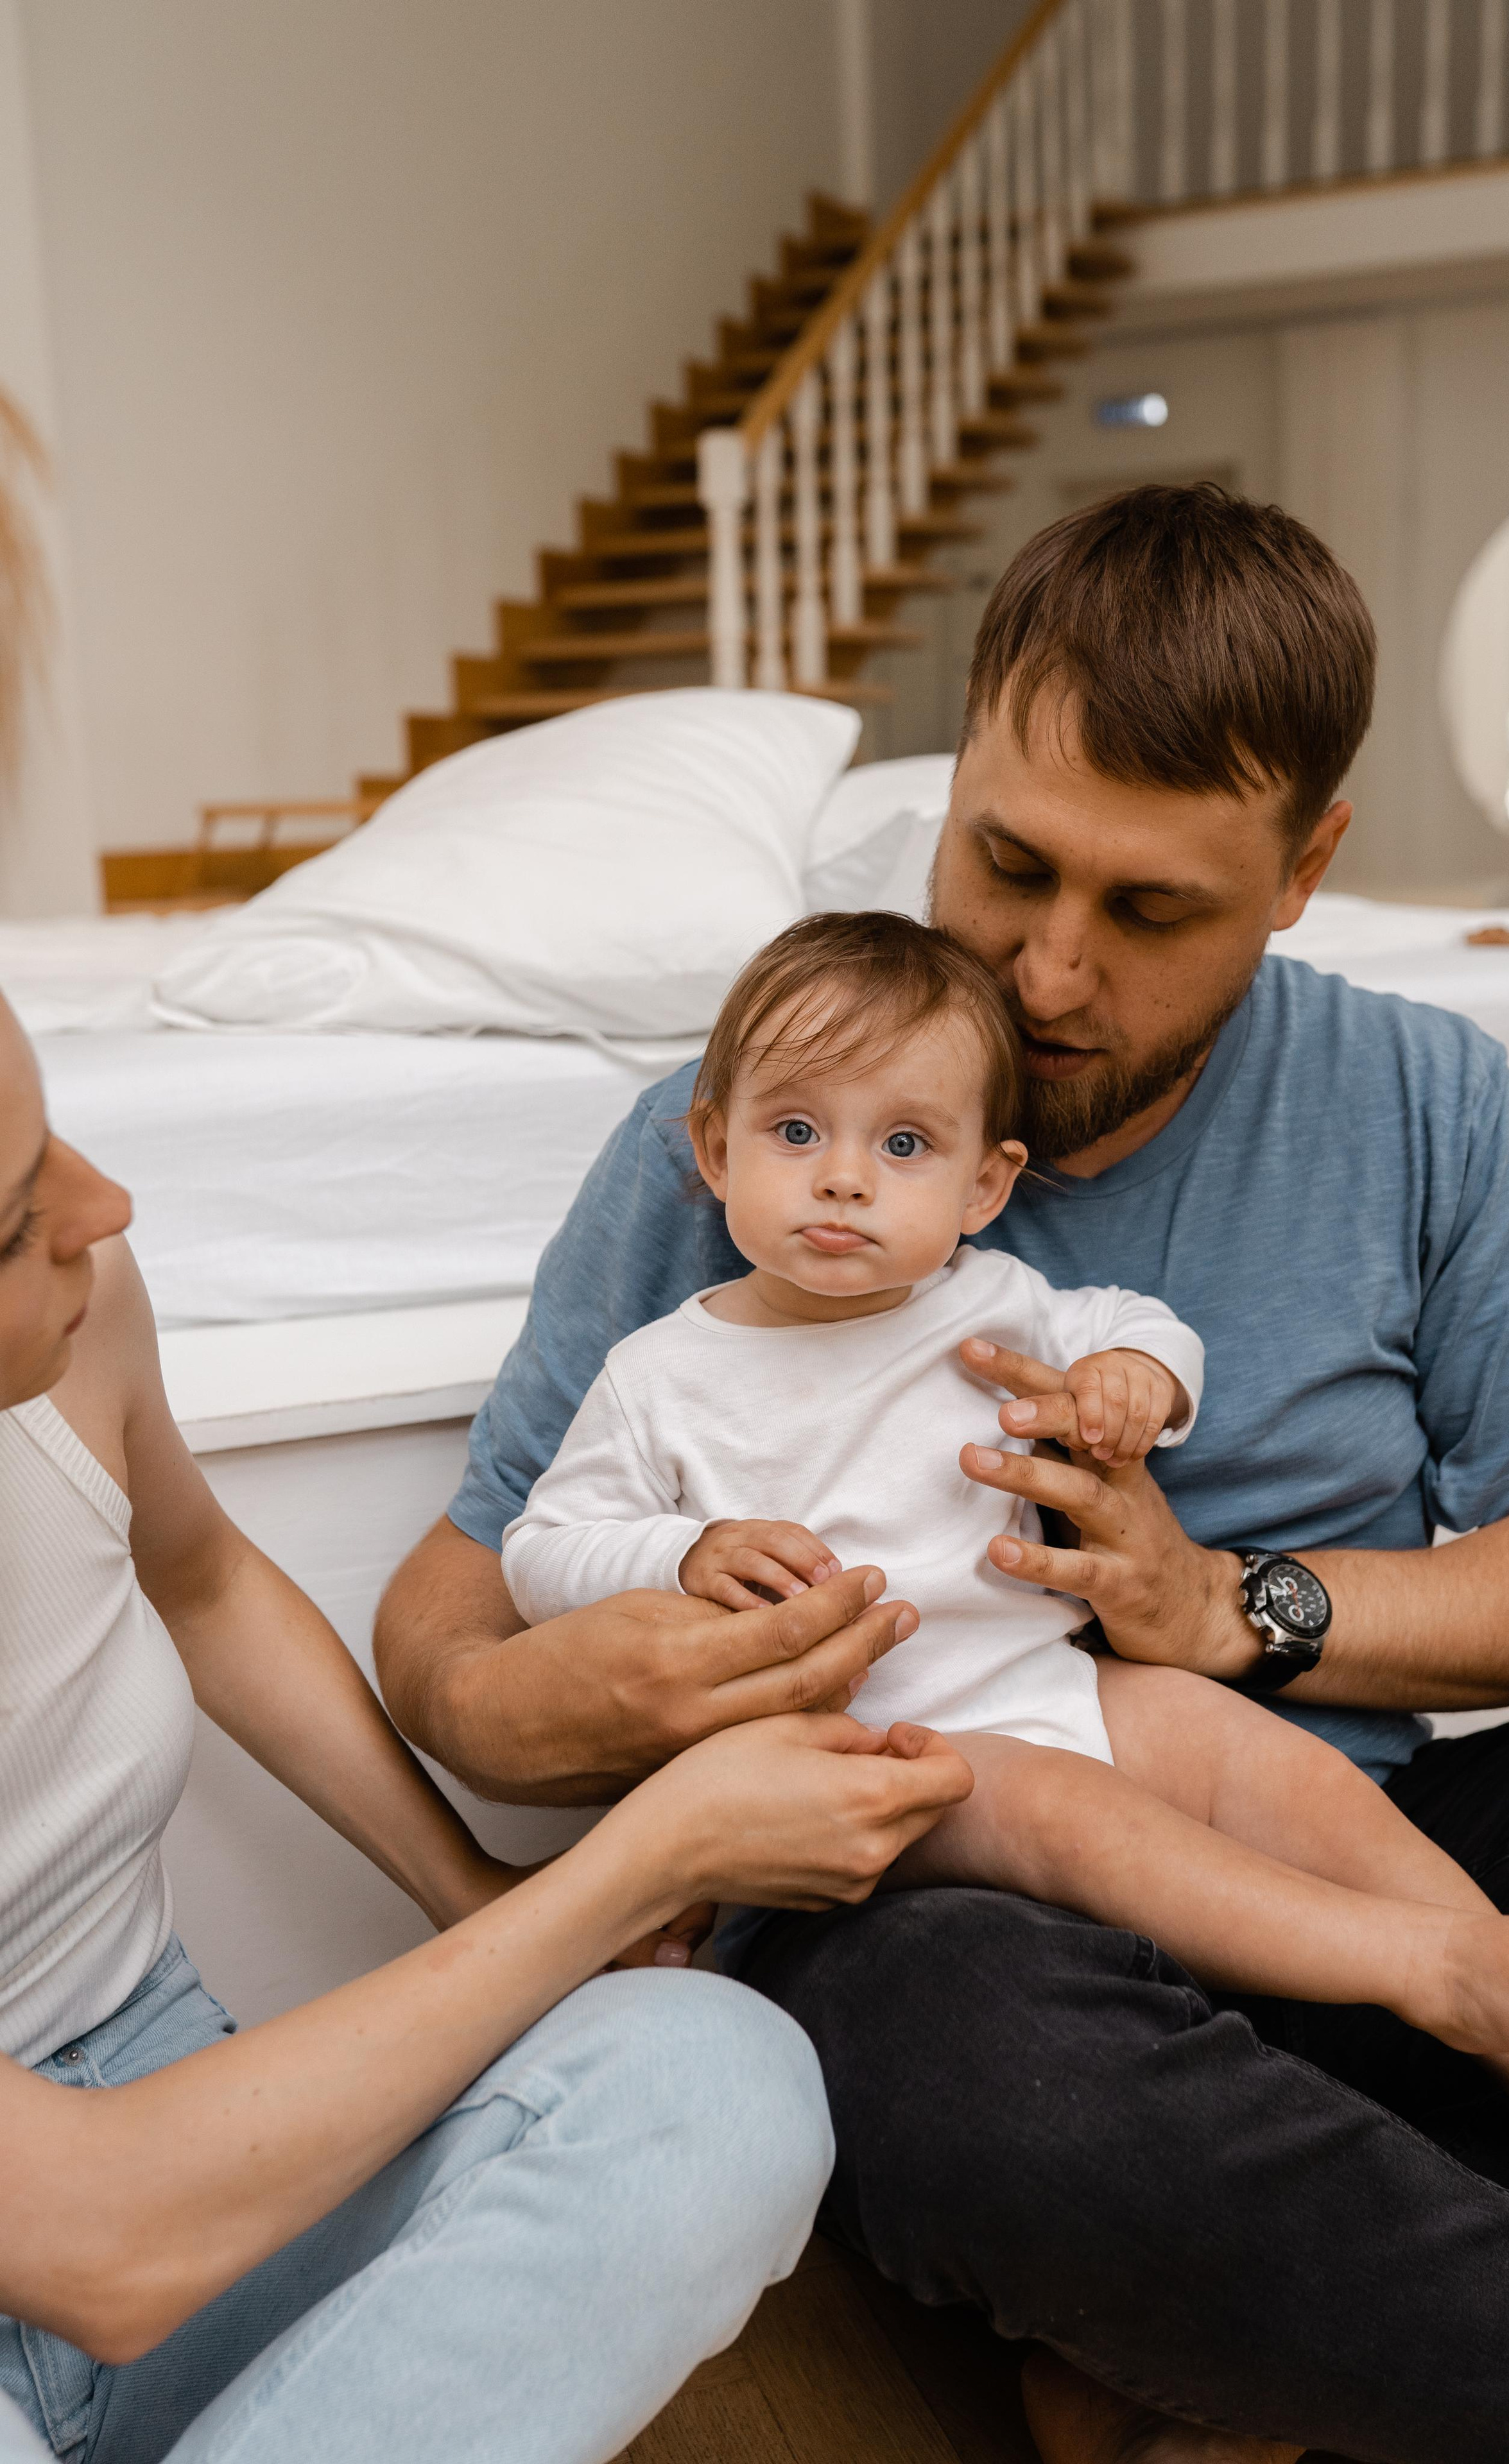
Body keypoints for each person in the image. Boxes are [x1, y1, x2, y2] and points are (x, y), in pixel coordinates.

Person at [375, 484, 1509, 2464]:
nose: (1048, 974)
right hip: (955, 1892)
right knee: (974, 2069)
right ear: (960, 763)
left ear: (1305, 868)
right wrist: (559, 1699)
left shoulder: (1424, 1098)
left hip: (1358, 1836)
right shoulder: (750, 1139)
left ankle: (1241, 2324)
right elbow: (458, 1602)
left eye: (1150, 913)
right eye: (1006, 861)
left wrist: (1233, 1611)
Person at [0, 988, 973, 2464]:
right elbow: (97, 2242)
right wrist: (643, 1857)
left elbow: (198, 1583)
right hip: (97, 2212)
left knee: (711, 2083)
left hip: (154, 2068)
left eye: (50, 1135)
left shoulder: (77, 1316)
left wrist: (465, 1885)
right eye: (14, 1215)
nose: (103, 1201)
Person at [508, 902, 1509, 2165]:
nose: (840, 1177)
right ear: (712, 1151)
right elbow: (543, 1546)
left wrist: (1134, 1383)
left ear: (984, 1185)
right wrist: (673, 1557)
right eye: (792, 1132)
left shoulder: (989, 1301)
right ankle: (1427, 1968)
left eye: (901, 1143)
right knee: (1062, 1812)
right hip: (859, 1756)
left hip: (1045, 1683)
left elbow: (1143, 1326)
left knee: (1258, 1758)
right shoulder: (664, 1372)